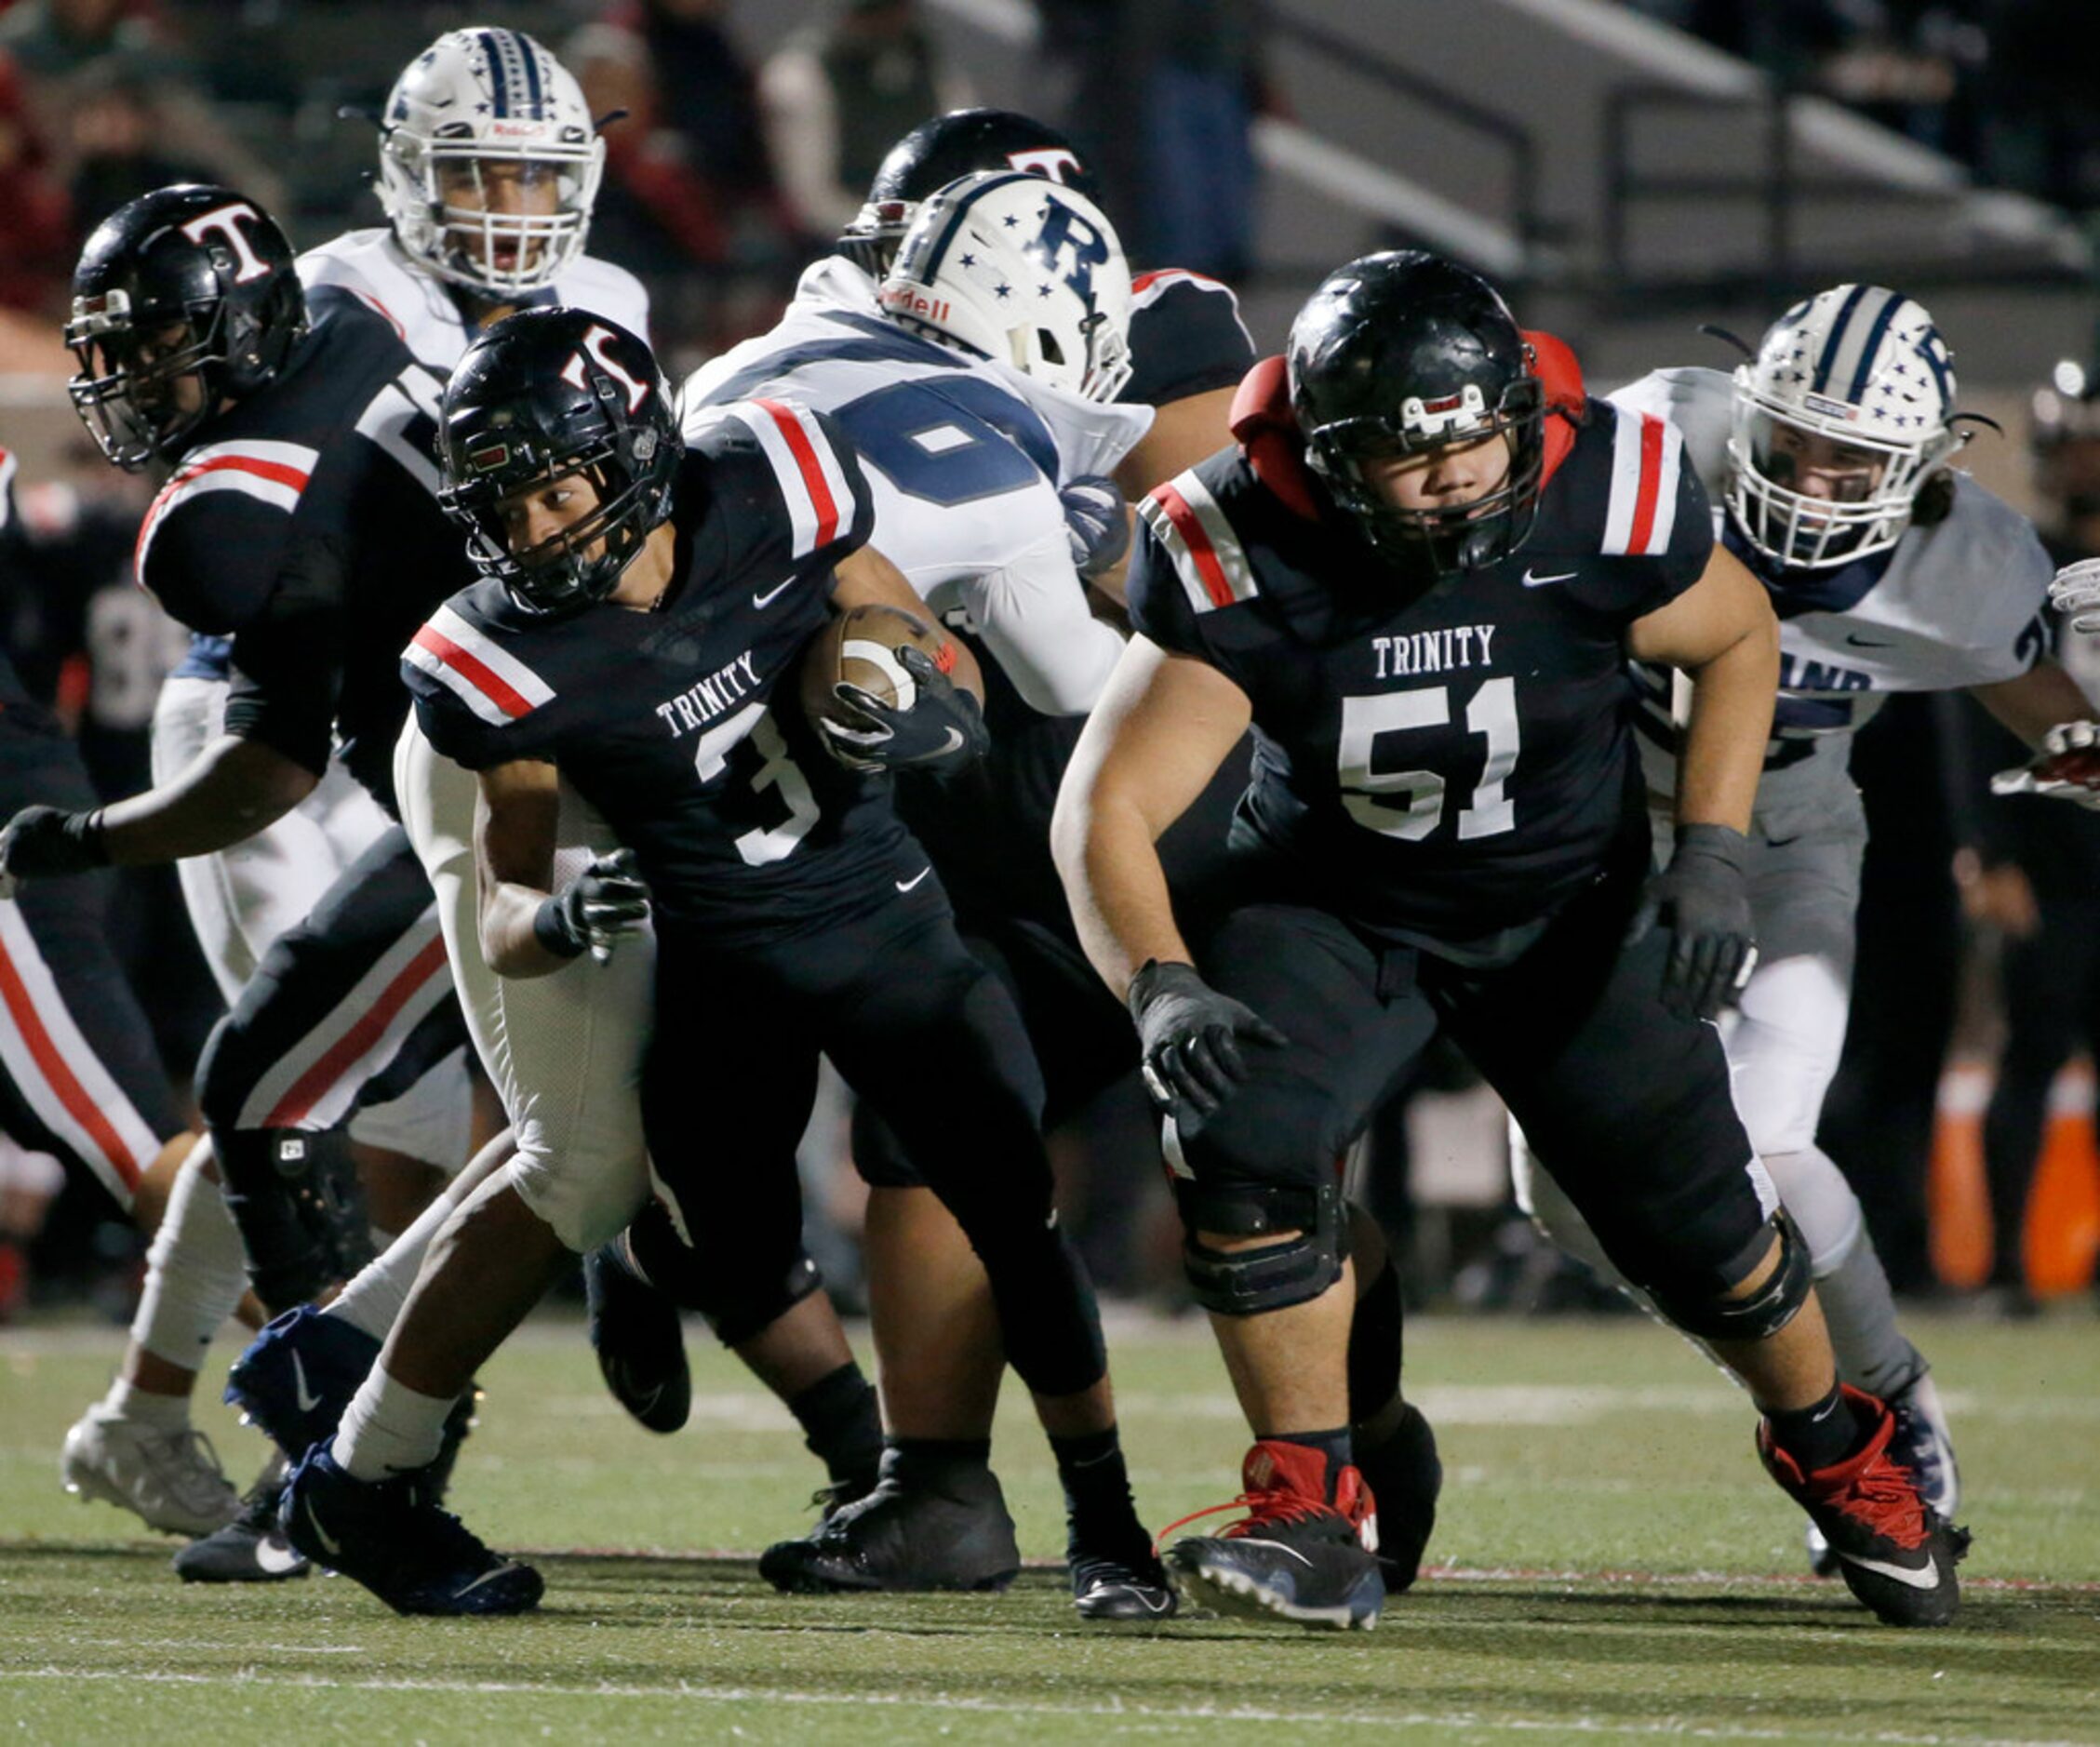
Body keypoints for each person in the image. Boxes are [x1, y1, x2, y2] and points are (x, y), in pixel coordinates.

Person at [1052, 249, 1966, 1632]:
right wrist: (1159, 985)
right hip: (1332, 901)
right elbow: (1107, 802)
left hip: (1560, 899)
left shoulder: (1609, 478)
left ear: (1515, 417)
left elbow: (1733, 636)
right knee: (1239, 1140)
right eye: (1407, 461)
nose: (1451, 482)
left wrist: (1711, 853)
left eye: (1474, 444)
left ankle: (1838, 1447)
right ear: (1323, 451)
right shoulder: (1234, 533)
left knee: (1703, 1220)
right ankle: (1309, 1501)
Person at [274, 308, 1158, 1621]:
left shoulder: (774, 483)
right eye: (496, 506)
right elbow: (515, 892)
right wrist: (561, 922)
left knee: (1011, 1217)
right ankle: (838, 1451)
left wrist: (905, 680)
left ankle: (1104, 1523)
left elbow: (903, 625)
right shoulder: (498, 657)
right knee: (649, 1201)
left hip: (882, 931)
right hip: (721, 964)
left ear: (635, 456)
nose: (525, 535)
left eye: (552, 491)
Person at [1521, 284, 2094, 1571]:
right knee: (1560, 1199)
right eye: (1797, 440)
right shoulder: (1656, 443)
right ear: (1751, 411)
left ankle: (1885, 1405)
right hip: (1588, 850)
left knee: (1762, 1141)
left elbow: (2049, 713)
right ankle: (1809, 1390)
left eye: (1858, 457)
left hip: (1783, 849)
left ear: (1923, 465)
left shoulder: (1964, 565)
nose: (1819, 477)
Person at [0, 181, 479, 1580]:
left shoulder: (220, 514)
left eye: (157, 347)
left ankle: (339, 1459)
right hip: (455, 763)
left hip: (514, 772)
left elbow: (274, 722)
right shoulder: (352, 313)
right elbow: (281, 739)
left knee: (434, 1121)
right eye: (121, 349)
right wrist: (95, 842)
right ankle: (301, 1447)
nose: (131, 379)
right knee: (316, 1087)